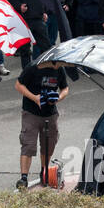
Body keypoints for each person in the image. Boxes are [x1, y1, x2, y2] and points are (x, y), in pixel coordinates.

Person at [14, 55, 66, 190]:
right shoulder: (32, 67)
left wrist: (58, 98)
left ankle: (44, 172)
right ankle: (23, 178)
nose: (59, 66)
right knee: (28, 145)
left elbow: (65, 88)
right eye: (57, 64)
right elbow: (18, 85)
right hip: (31, 113)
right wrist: (35, 98)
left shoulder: (59, 69)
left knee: (48, 145)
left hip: (50, 114)